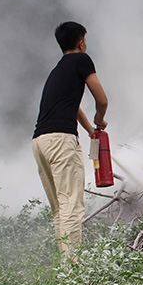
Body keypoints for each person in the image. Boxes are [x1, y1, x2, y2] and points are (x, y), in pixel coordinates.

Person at [32, 21, 108, 256]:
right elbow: (102, 99)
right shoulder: (82, 60)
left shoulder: (57, 70)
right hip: (60, 141)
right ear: (80, 41)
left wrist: (89, 130)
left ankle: (66, 268)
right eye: (85, 39)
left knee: (60, 209)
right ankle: (73, 271)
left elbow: (72, 107)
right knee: (72, 207)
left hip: (39, 142)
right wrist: (100, 119)